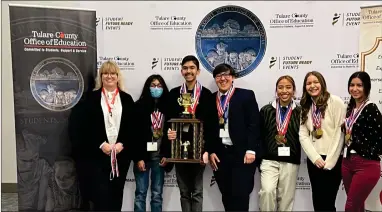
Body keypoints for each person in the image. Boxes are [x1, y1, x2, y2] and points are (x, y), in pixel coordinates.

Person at [81, 60, 136, 211]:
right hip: (98, 156)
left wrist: (122, 144)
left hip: (120, 156)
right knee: (100, 196)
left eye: (112, 73)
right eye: (105, 73)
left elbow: (133, 127)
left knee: (116, 195)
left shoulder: (127, 99)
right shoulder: (91, 99)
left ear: (118, 77)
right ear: (101, 76)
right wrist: (100, 144)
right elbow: (84, 127)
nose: (109, 76)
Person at [208, 63, 262, 211]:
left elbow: (254, 124)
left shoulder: (246, 95)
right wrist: (211, 151)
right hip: (221, 156)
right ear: (215, 79)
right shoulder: (210, 99)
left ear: (232, 77)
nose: (222, 78)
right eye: (219, 76)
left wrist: (251, 149)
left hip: (242, 154)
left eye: (226, 75)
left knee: (241, 195)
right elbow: (209, 129)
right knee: (226, 195)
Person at [166, 55, 212, 212]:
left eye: (192, 68)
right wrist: (169, 133)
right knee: (184, 192)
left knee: (197, 192)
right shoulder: (173, 94)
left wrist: (206, 151)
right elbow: (168, 120)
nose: (188, 71)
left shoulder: (206, 95)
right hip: (179, 150)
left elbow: (212, 126)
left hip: (199, 150)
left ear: (198, 71)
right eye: (185, 68)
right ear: (181, 71)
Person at [299, 71, 346, 211]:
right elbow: (303, 135)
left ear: (322, 83)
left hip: (333, 160)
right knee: (318, 202)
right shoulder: (306, 106)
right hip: (315, 161)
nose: (312, 86)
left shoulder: (335, 101)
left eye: (315, 82)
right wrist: (315, 158)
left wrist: (330, 161)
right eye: (308, 83)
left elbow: (340, 132)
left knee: (328, 203)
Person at [258, 75, 301, 211]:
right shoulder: (266, 110)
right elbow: (259, 135)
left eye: (288, 87)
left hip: (290, 161)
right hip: (269, 160)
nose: (284, 91)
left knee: (286, 198)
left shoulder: (300, 111)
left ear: (294, 91)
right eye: (280, 87)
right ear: (276, 90)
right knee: (267, 191)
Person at [341, 71, 381, 212]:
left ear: (366, 87)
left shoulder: (371, 108)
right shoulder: (350, 109)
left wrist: (366, 152)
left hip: (366, 164)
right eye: (352, 85)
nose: (355, 89)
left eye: (359, 85)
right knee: (357, 207)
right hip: (347, 162)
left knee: (350, 207)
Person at [133, 74, 171, 212]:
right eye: (153, 85)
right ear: (148, 88)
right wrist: (138, 158)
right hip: (143, 158)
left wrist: (167, 155)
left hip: (160, 158)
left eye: (159, 85)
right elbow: (134, 135)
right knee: (140, 194)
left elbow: (171, 134)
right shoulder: (138, 106)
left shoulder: (168, 107)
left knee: (157, 195)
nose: (156, 88)